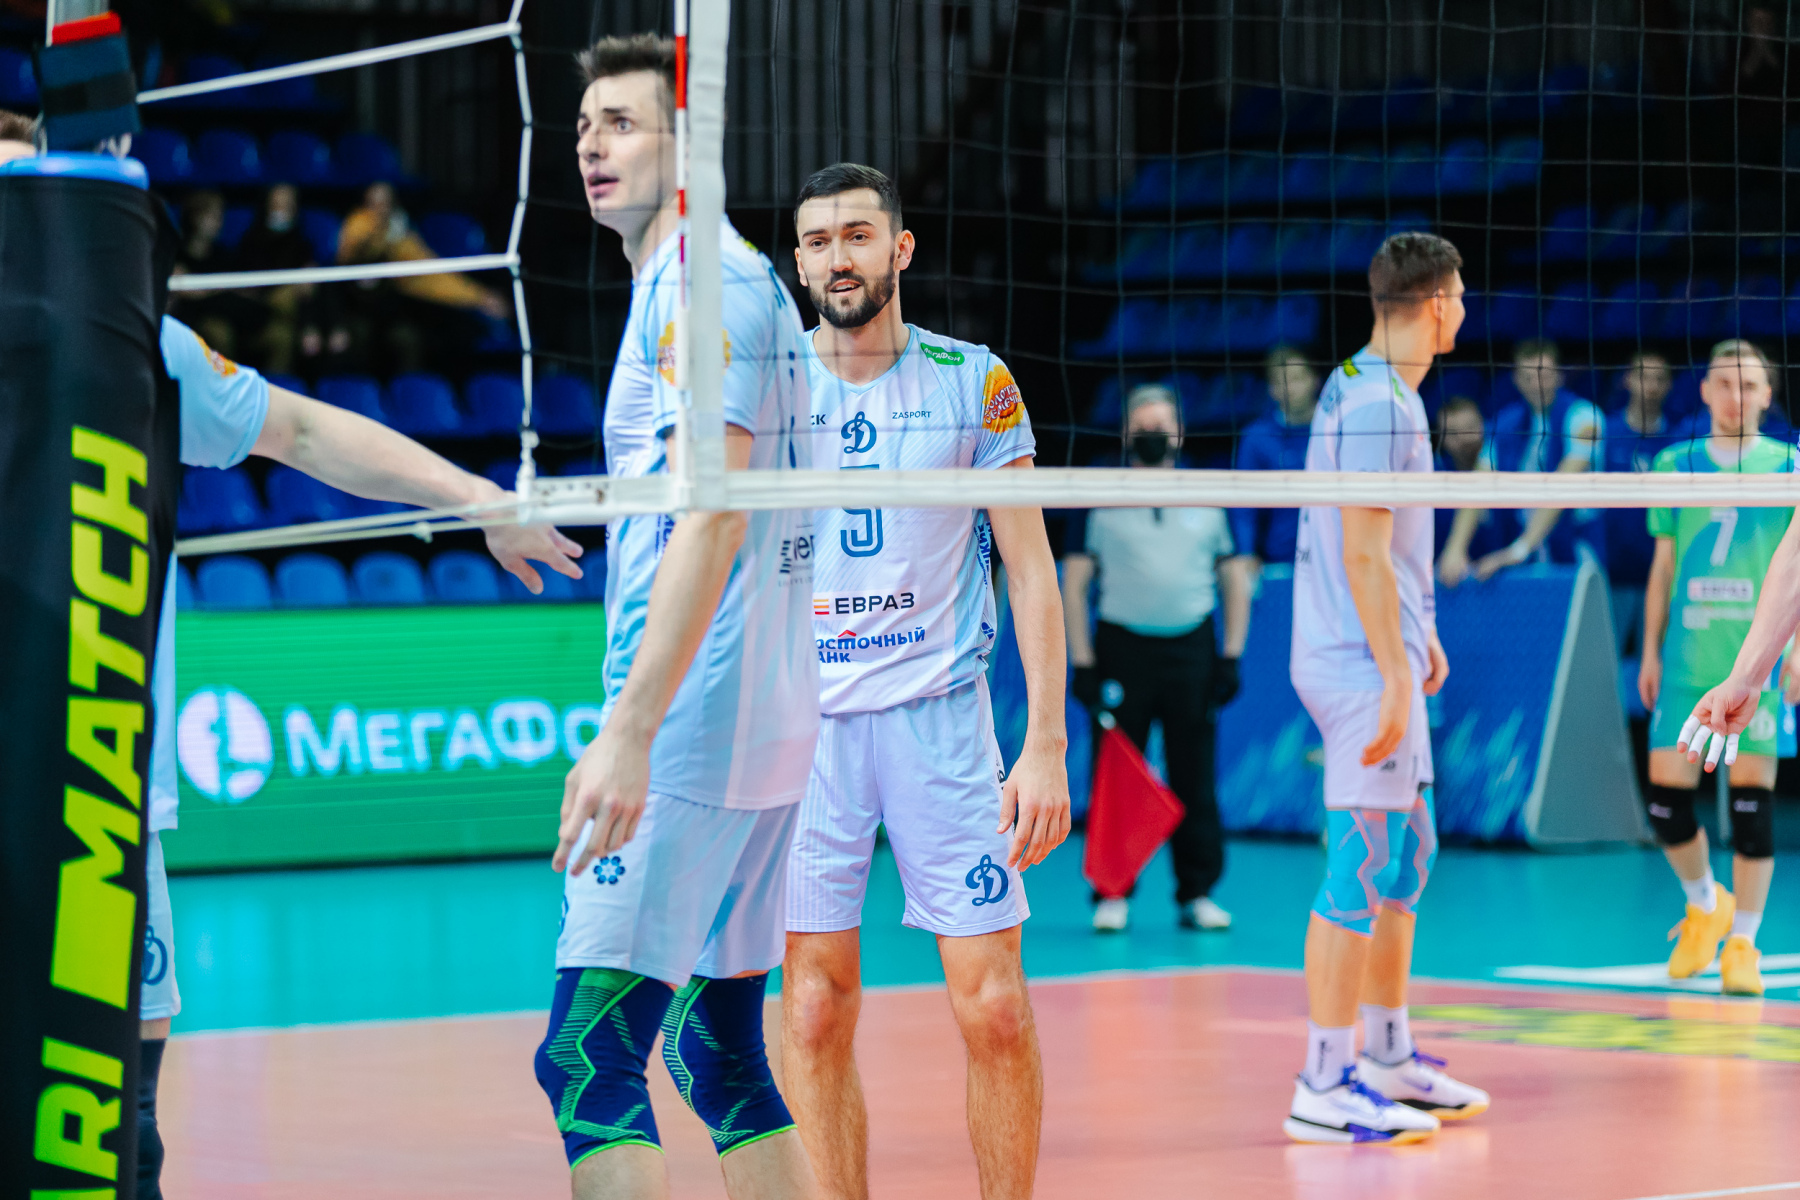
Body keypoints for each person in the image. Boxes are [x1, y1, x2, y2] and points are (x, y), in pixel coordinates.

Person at [0, 115, 587, 1200]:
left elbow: (306, 434)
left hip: (99, 802)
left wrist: (477, 499)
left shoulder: (139, 346)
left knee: (124, 1130)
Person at [538, 34, 820, 1200]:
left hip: (701, 728)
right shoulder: (695, 280)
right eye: (583, 126)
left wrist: (632, 729)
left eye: (622, 123)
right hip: (759, 721)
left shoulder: (707, 286)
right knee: (718, 1051)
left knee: (587, 1062)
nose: (592, 146)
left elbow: (714, 517)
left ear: (688, 143)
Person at [780, 162, 1070, 1200]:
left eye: (858, 236)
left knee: (994, 1007)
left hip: (940, 726)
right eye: (818, 241)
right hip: (807, 733)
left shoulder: (972, 379)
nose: (838, 258)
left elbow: (1030, 569)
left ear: (900, 249)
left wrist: (1045, 743)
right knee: (813, 1004)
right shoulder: (769, 386)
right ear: (799, 263)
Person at [1286, 232, 1489, 1145]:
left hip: (1378, 648)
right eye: (1461, 296)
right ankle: (1323, 1081)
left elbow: (1390, 550)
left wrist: (1422, 635)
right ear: (1438, 303)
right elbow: (1363, 551)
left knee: (1410, 852)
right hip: (1357, 661)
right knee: (1363, 861)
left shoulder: (1370, 387)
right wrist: (1396, 674)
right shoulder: (1378, 404)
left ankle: (1385, 1055)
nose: (1464, 309)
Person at [1636, 340, 1794, 997]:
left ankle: (1745, 944)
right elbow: (1663, 566)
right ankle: (1706, 904)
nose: (1736, 396)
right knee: (1665, 802)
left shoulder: (1789, 465)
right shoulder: (1676, 463)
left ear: (1768, 394)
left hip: (1758, 658)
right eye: (1725, 384)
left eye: (1749, 385)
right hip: (1687, 656)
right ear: (1703, 391)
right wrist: (1649, 648)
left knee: (1752, 808)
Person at [1063, 383, 1251, 933]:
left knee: (1195, 775)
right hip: (1122, 648)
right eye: (1142, 426)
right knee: (1116, 776)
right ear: (1126, 433)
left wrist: (1231, 656)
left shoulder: (1207, 496)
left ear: (1180, 433)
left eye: (1161, 426)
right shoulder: (1099, 495)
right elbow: (1073, 584)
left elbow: (1234, 579)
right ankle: (1111, 892)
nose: (1152, 434)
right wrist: (1083, 663)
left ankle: (1197, 892)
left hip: (1192, 647)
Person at [335, 181, 510, 373]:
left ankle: (407, 387)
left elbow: (430, 273)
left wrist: (479, 296)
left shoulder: (399, 236)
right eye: (374, 203)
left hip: (390, 313)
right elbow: (347, 258)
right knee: (358, 337)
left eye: (386, 203)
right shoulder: (356, 229)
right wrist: (375, 235)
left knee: (413, 339)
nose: (380, 210)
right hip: (353, 311)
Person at [1468, 338, 1605, 580]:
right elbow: (1478, 483)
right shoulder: (1506, 423)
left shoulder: (1585, 416)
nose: (1536, 384)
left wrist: (1520, 549)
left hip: (1576, 550)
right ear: (1516, 380)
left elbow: (1564, 485)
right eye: (1528, 377)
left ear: (1559, 376)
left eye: (1544, 375)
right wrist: (1455, 549)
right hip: (1521, 548)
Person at [1603, 352, 1680, 656]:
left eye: (1659, 379)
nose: (1651, 386)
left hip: (1661, 574)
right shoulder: (1605, 433)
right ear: (1628, 380)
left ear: (1669, 385)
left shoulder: (1677, 441)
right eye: (1644, 376)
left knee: (1656, 660)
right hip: (1613, 575)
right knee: (1606, 663)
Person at [1230, 345, 1320, 570]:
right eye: (1281, 381)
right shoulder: (1256, 438)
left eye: (1297, 378)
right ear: (1271, 389)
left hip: (1335, 555)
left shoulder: (1338, 430)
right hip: (1279, 561)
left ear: (1314, 380)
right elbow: (1243, 503)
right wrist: (1246, 553)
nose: (1290, 388)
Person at [1432, 396, 1507, 579]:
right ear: (1441, 438)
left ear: (1484, 425)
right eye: (1454, 433)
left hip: (1506, 576)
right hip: (1448, 581)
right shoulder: (1430, 479)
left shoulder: (1507, 466)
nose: (1465, 439)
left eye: (1471, 428)